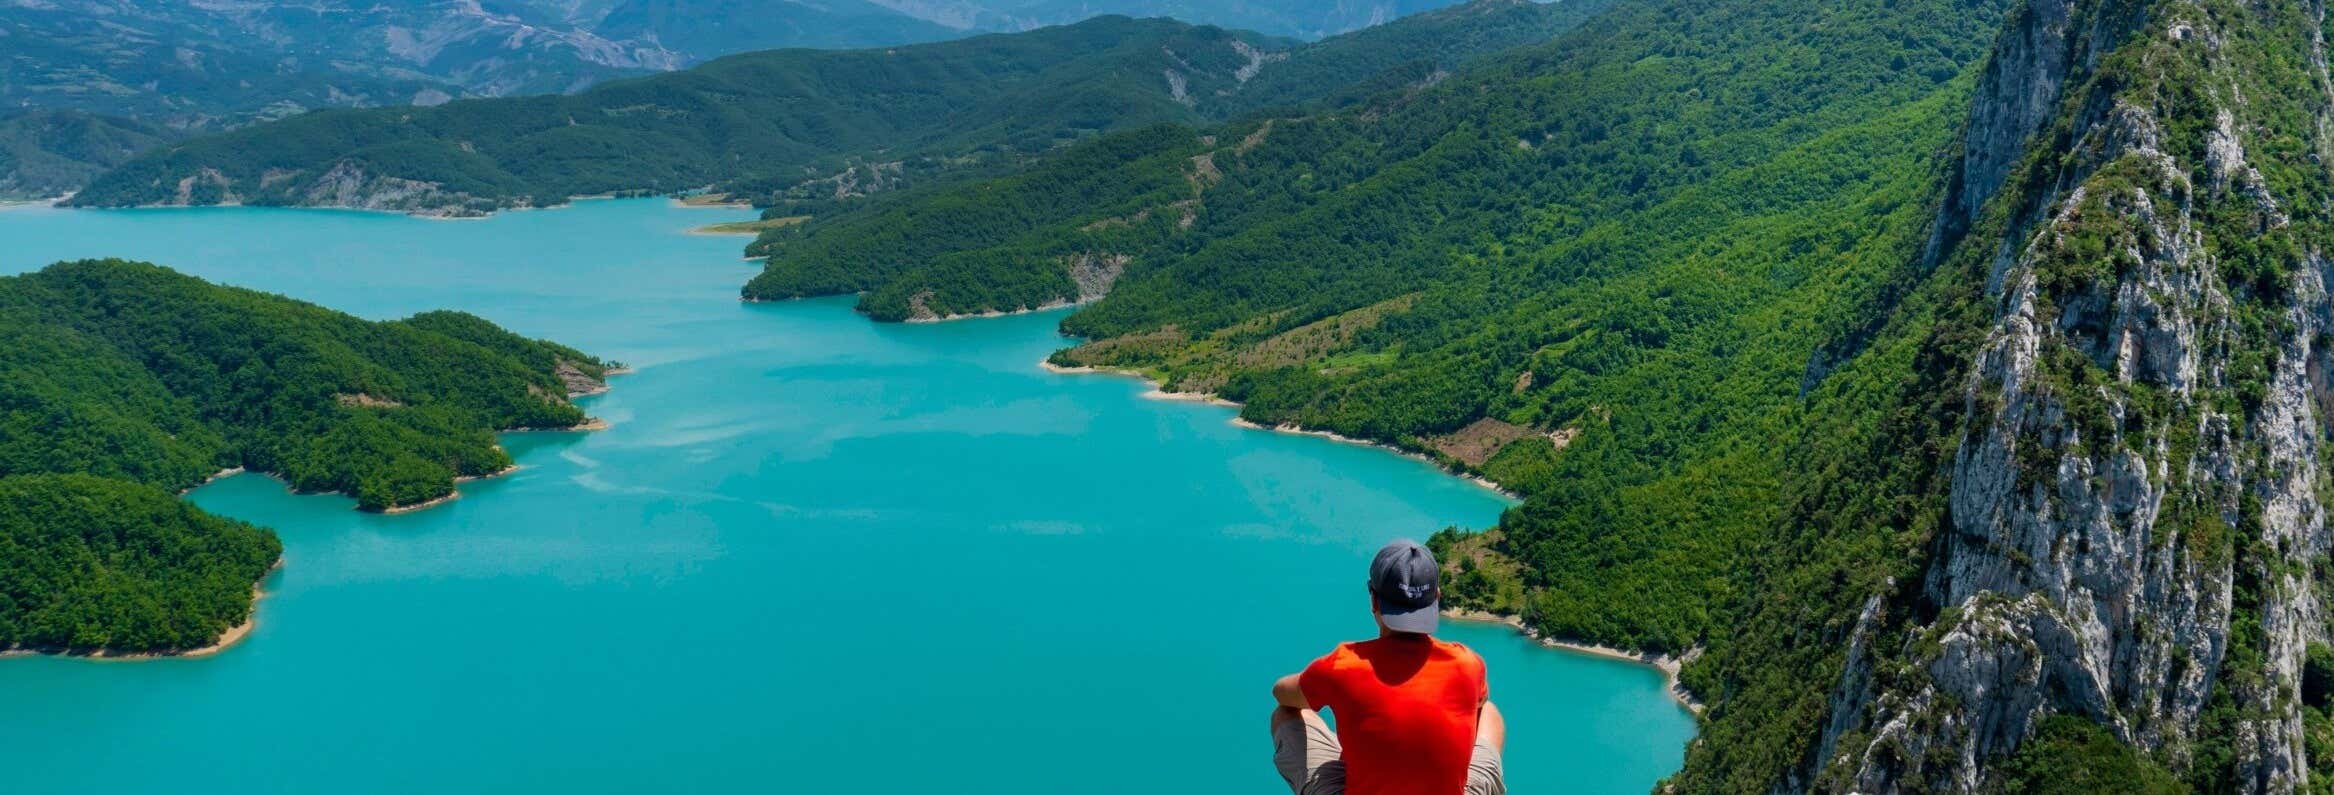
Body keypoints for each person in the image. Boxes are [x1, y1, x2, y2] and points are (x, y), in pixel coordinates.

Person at [1270, 539, 1505, 795]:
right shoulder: (1468, 664)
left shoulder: (1344, 665)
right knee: (1487, 711)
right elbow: (1478, 703)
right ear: (1436, 598)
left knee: (1287, 713)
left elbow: (1282, 693)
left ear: (1374, 600)